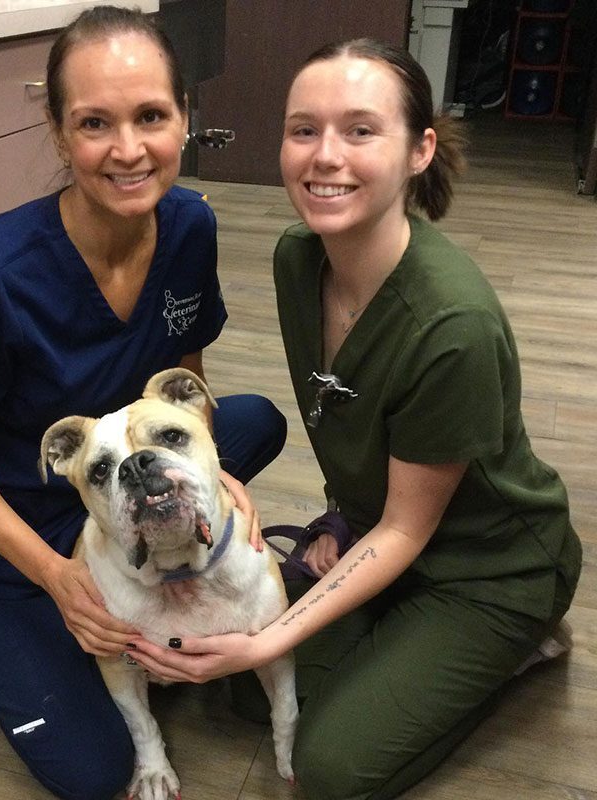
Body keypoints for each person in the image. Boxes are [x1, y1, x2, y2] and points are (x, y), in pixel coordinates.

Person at [128, 39, 582, 800]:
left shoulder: (452, 325)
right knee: (242, 690)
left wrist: (271, 635)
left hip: (488, 569)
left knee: (332, 770)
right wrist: (343, 514)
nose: (323, 156)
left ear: (418, 149)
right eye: (304, 130)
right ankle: (397, 644)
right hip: (383, 529)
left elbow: (411, 530)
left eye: (361, 131)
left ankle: (517, 646)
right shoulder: (298, 260)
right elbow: (353, 422)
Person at [0, 7, 286, 799]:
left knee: (251, 424)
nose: (128, 150)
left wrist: (216, 483)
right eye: (95, 123)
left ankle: (115, 567)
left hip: (99, 486)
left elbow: (183, 376)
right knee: (98, 774)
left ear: (184, 119)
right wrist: (59, 578)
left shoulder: (189, 225)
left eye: (151, 117)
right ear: (60, 135)